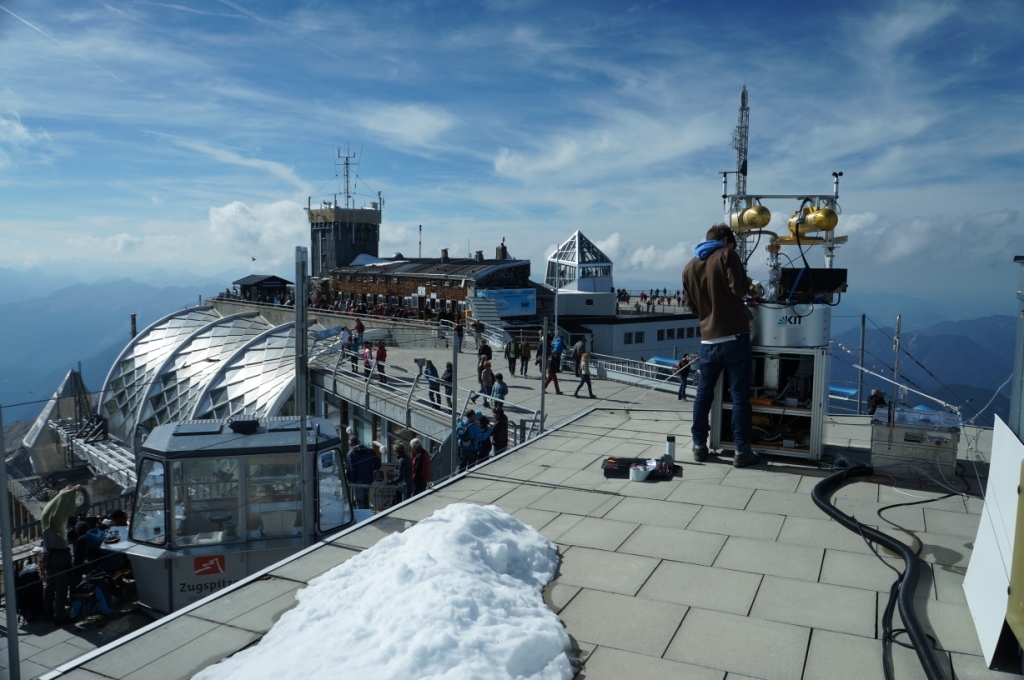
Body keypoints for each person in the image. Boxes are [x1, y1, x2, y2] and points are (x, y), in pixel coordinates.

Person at [683, 223, 759, 468]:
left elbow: (691, 306)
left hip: (708, 340)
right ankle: (741, 450)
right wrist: (748, 282)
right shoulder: (727, 255)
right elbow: (739, 289)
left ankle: (698, 445)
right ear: (726, 240)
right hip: (734, 335)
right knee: (739, 395)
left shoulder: (689, 266)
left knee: (703, 394)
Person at [40, 484, 91, 624]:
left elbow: (59, 499)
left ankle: (47, 612)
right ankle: (60, 615)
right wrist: (83, 490)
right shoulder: (63, 514)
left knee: (50, 584)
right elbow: (87, 504)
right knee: (61, 586)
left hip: (46, 553)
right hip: (60, 554)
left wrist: (63, 492)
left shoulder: (47, 510)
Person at [347, 436, 381, 509]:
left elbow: (352, 469)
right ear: (359, 442)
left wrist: (352, 480)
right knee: (366, 500)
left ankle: (363, 515)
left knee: (360, 501)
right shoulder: (369, 451)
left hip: (358, 481)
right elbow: (378, 464)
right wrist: (370, 468)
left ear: (350, 444)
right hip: (369, 479)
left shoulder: (351, 453)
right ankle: (367, 513)